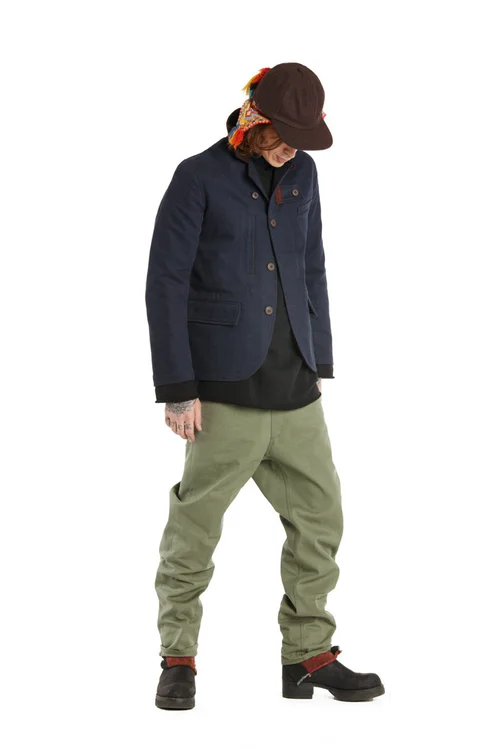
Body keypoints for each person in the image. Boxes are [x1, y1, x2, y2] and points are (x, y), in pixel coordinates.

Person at [145, 62, 385, 710]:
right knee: (194, 531)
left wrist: (319, 359)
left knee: (321, 520)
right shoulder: (197, 177)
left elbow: (313, 267)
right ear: (255, 121)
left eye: (303, 140)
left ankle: (307, 656)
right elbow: (165, 284)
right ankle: (178, 657)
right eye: (284, 136)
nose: (291, 150)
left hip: (295, 384)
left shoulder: (304, 174)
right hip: (224, 389)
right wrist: (178, 387)